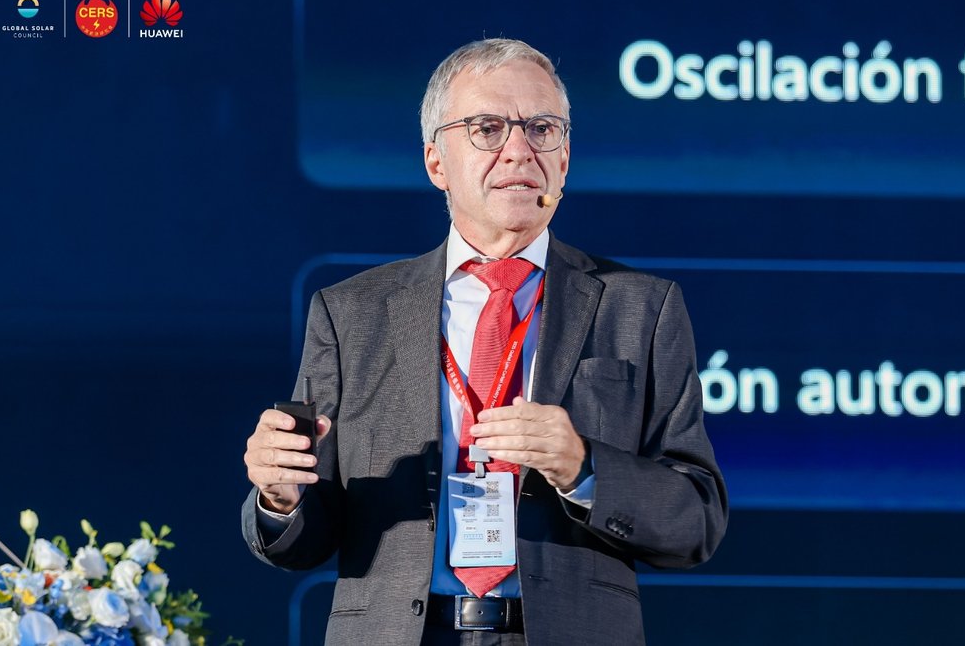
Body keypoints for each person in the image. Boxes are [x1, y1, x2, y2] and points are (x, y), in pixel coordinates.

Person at [242, 38, 728, 645]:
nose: (519, 149)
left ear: (565, 158)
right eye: (488, 128)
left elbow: (696, 521)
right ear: (436, 163)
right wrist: (281, 498)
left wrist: (582, 467)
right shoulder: (351, 314)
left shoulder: (641, 308)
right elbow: (308, 538)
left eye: (542, 129)